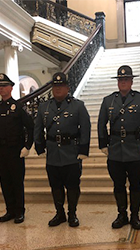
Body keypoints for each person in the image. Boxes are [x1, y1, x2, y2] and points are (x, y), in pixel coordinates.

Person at [98, 65, 140, 230]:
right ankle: (122, 214)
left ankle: (135, 215)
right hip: (115, 149)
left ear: (131, 81)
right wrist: (103, 144)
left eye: (126, 79)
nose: (123, 82)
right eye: (120, 80)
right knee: (118, 184)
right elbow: (101, 123)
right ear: (117, 82)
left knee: (136, 184)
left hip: (135, 148)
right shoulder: (108, 100)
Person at [34, 72, 91, 227]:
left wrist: (83, 150)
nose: (58, 89)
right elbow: (37, 128)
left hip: (71, 153)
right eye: (55, 86)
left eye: (61, 86)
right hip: (52, 153)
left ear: (67, 87)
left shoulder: (78, 105)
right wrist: (39, 147)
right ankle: (59, 214)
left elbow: (86, 128)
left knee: (73, 185)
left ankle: (72, 214)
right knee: (55, 186)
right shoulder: (44, 107)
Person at [0, 73, 34, 224]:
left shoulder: (18, 107)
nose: (1, 89)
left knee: (17, 182)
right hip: (1, 151)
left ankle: (19, 211)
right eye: (0, 86)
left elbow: (30, 127)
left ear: (11, 88)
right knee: (5, 182)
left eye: (4, 86)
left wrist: (27, 146)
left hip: (15, 151)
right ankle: (10, 210)